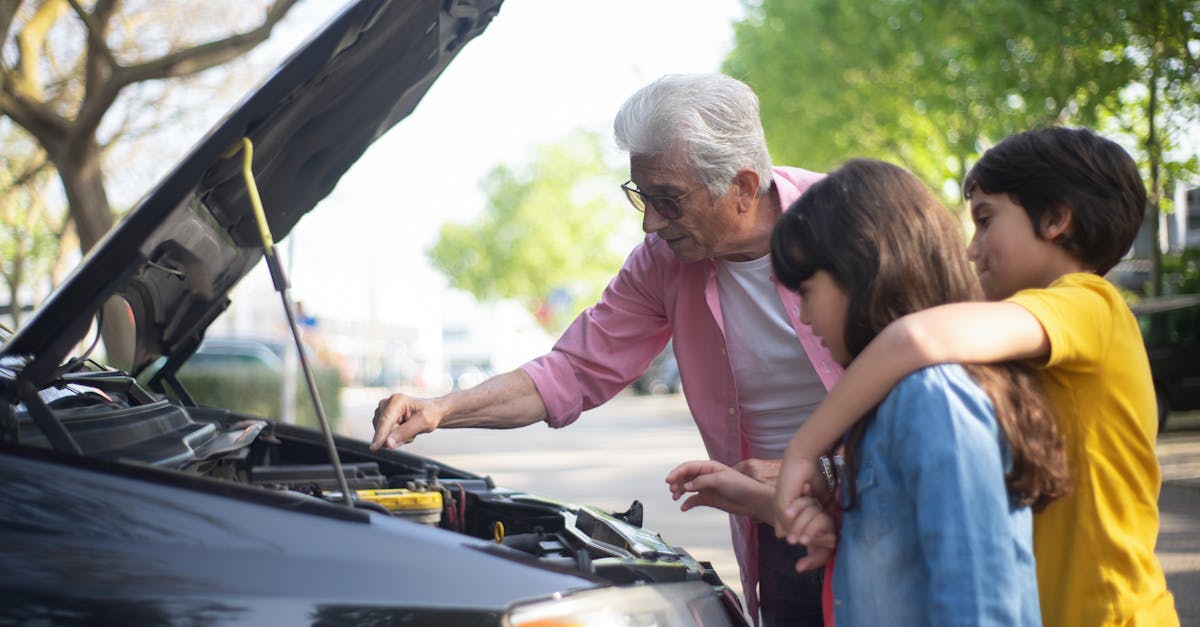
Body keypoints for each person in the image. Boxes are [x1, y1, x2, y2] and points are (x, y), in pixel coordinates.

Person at [370, 73, 841, 627]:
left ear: (740, 186)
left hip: (889, 504)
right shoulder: (662, 260)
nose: (650, 222)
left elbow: (937, 375)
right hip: (779, 529)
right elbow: (573, 367)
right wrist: (444, 409)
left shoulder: (849, 220)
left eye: (668, 200)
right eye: (642, 196)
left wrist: (829, 474)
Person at [774, 128, 1180, 626]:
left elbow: (915, 340)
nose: (971, 249)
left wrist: (802, 448)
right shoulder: (1022, 332)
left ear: (1055, 219)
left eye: (986, 221)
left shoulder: (1090, 304)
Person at [676, 158, 1068, 626]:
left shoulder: (935, 399)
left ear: (864, 273)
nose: (802, 317)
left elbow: (980, 600)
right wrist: (822, 528)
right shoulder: (894, 399)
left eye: (808, 291)